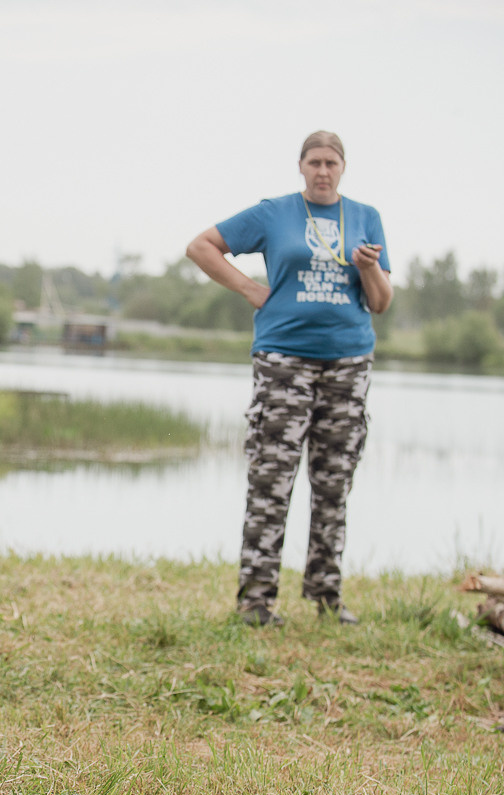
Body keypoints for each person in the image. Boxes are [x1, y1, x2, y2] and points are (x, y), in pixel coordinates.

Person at [186, 130, 392, 628]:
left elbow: (381, 302)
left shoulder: (365, 217)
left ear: (343, 168)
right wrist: (252, 290)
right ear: (301, 166)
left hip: (347, 362)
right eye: (315, 162)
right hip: (284, 361)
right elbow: (201, 246)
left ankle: (326, 596)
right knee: (272, 479)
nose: (323, 171)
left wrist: (368, 269)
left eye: (332, 163)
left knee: (334, 482)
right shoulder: (274, 213)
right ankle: (255, 602)